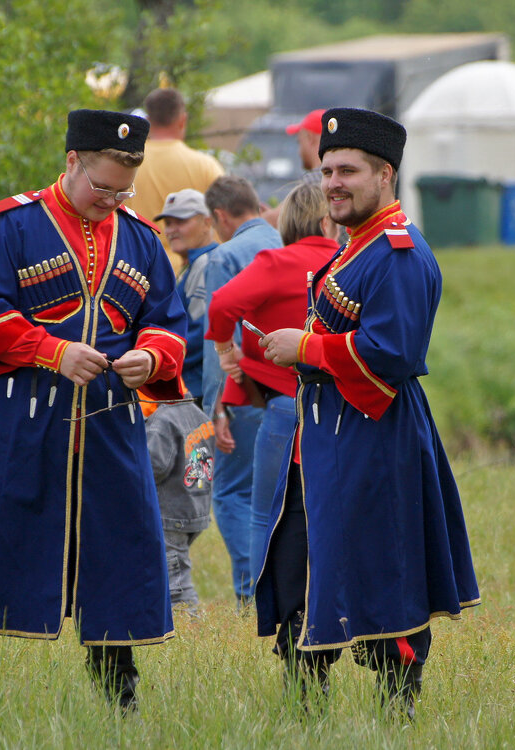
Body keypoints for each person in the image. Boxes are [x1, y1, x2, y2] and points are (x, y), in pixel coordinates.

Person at [0, 109, 187, 712]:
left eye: (122, 190)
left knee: (114, 560)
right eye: (100, 186)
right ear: (71, 163)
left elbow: (168, 322)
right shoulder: (12, 226)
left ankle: (121, 702)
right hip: (12, 426)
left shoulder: (142, 238)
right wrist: (51, 350)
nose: (109, 201)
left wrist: (152, 357)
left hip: (108, 431)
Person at [256, 108, 480, 719]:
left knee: (386, 577)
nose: (333, 182)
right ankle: (304, 713)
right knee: (300, 574)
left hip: (375, 440)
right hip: (323, 442)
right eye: (327, 169)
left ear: (385, 174)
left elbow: (394, 354)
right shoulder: (358, 246)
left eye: (348, 170)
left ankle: (397, 716)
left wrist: (306, 347)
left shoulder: (398, 252)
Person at [205, 181, 338, 590]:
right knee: (330, 512)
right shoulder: (347, 261)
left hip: (285, 408)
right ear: (326, 220)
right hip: (342, 409)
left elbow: (222, 305)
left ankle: (258, 596)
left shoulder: (276, 262)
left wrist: (225, 349)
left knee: (264, 511)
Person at [201, 174, 280, 604]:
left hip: (244, 391)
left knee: (230, 490)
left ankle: (252, 592)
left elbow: (221, 341)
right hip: (289, 390)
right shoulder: (288, 242)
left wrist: (218, 408)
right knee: (275, 494)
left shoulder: (224, 256)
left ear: (219, 216)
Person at [124, 88, 224, 271]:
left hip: (136, 271)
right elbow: (223, 223)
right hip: (189, 271)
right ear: (182, 119)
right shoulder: (206, 167)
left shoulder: (127, 164)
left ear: (147, 121)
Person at [143, 391, 214, 611]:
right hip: (195, 507)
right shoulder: (197, 413)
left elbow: (153, 466)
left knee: (177, 586)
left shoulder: (162, 421)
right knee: (168, 570)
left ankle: (189, 627)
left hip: (170, 516)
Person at [155, 189, 218, 407]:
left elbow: (204, 332)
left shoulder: (206, 263)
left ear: (207, 221)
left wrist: (161, 362)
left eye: (180, 221)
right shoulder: (194, 264)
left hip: (199, 390)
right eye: (168, 223)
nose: (171, 230)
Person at [262, 109, 325, 227]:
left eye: (299, 142)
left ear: (310, 138)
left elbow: (275, 219)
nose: (299, 151)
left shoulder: (315, 179)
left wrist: (265, 216)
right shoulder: (339, 176)